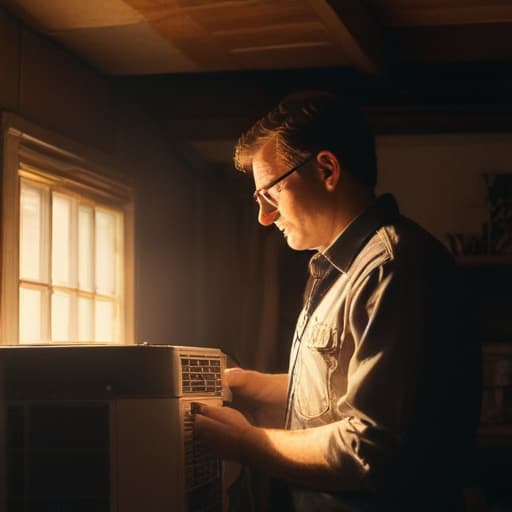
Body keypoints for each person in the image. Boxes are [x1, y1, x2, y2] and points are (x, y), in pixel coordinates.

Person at [194, 91, 482, 511]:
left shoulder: (392, 269)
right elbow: (358, 386)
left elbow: (373, 447)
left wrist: (246, 442)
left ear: (327, 169)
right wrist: (266, 387)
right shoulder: (338, 267)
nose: (264, 217)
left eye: (270, 194)